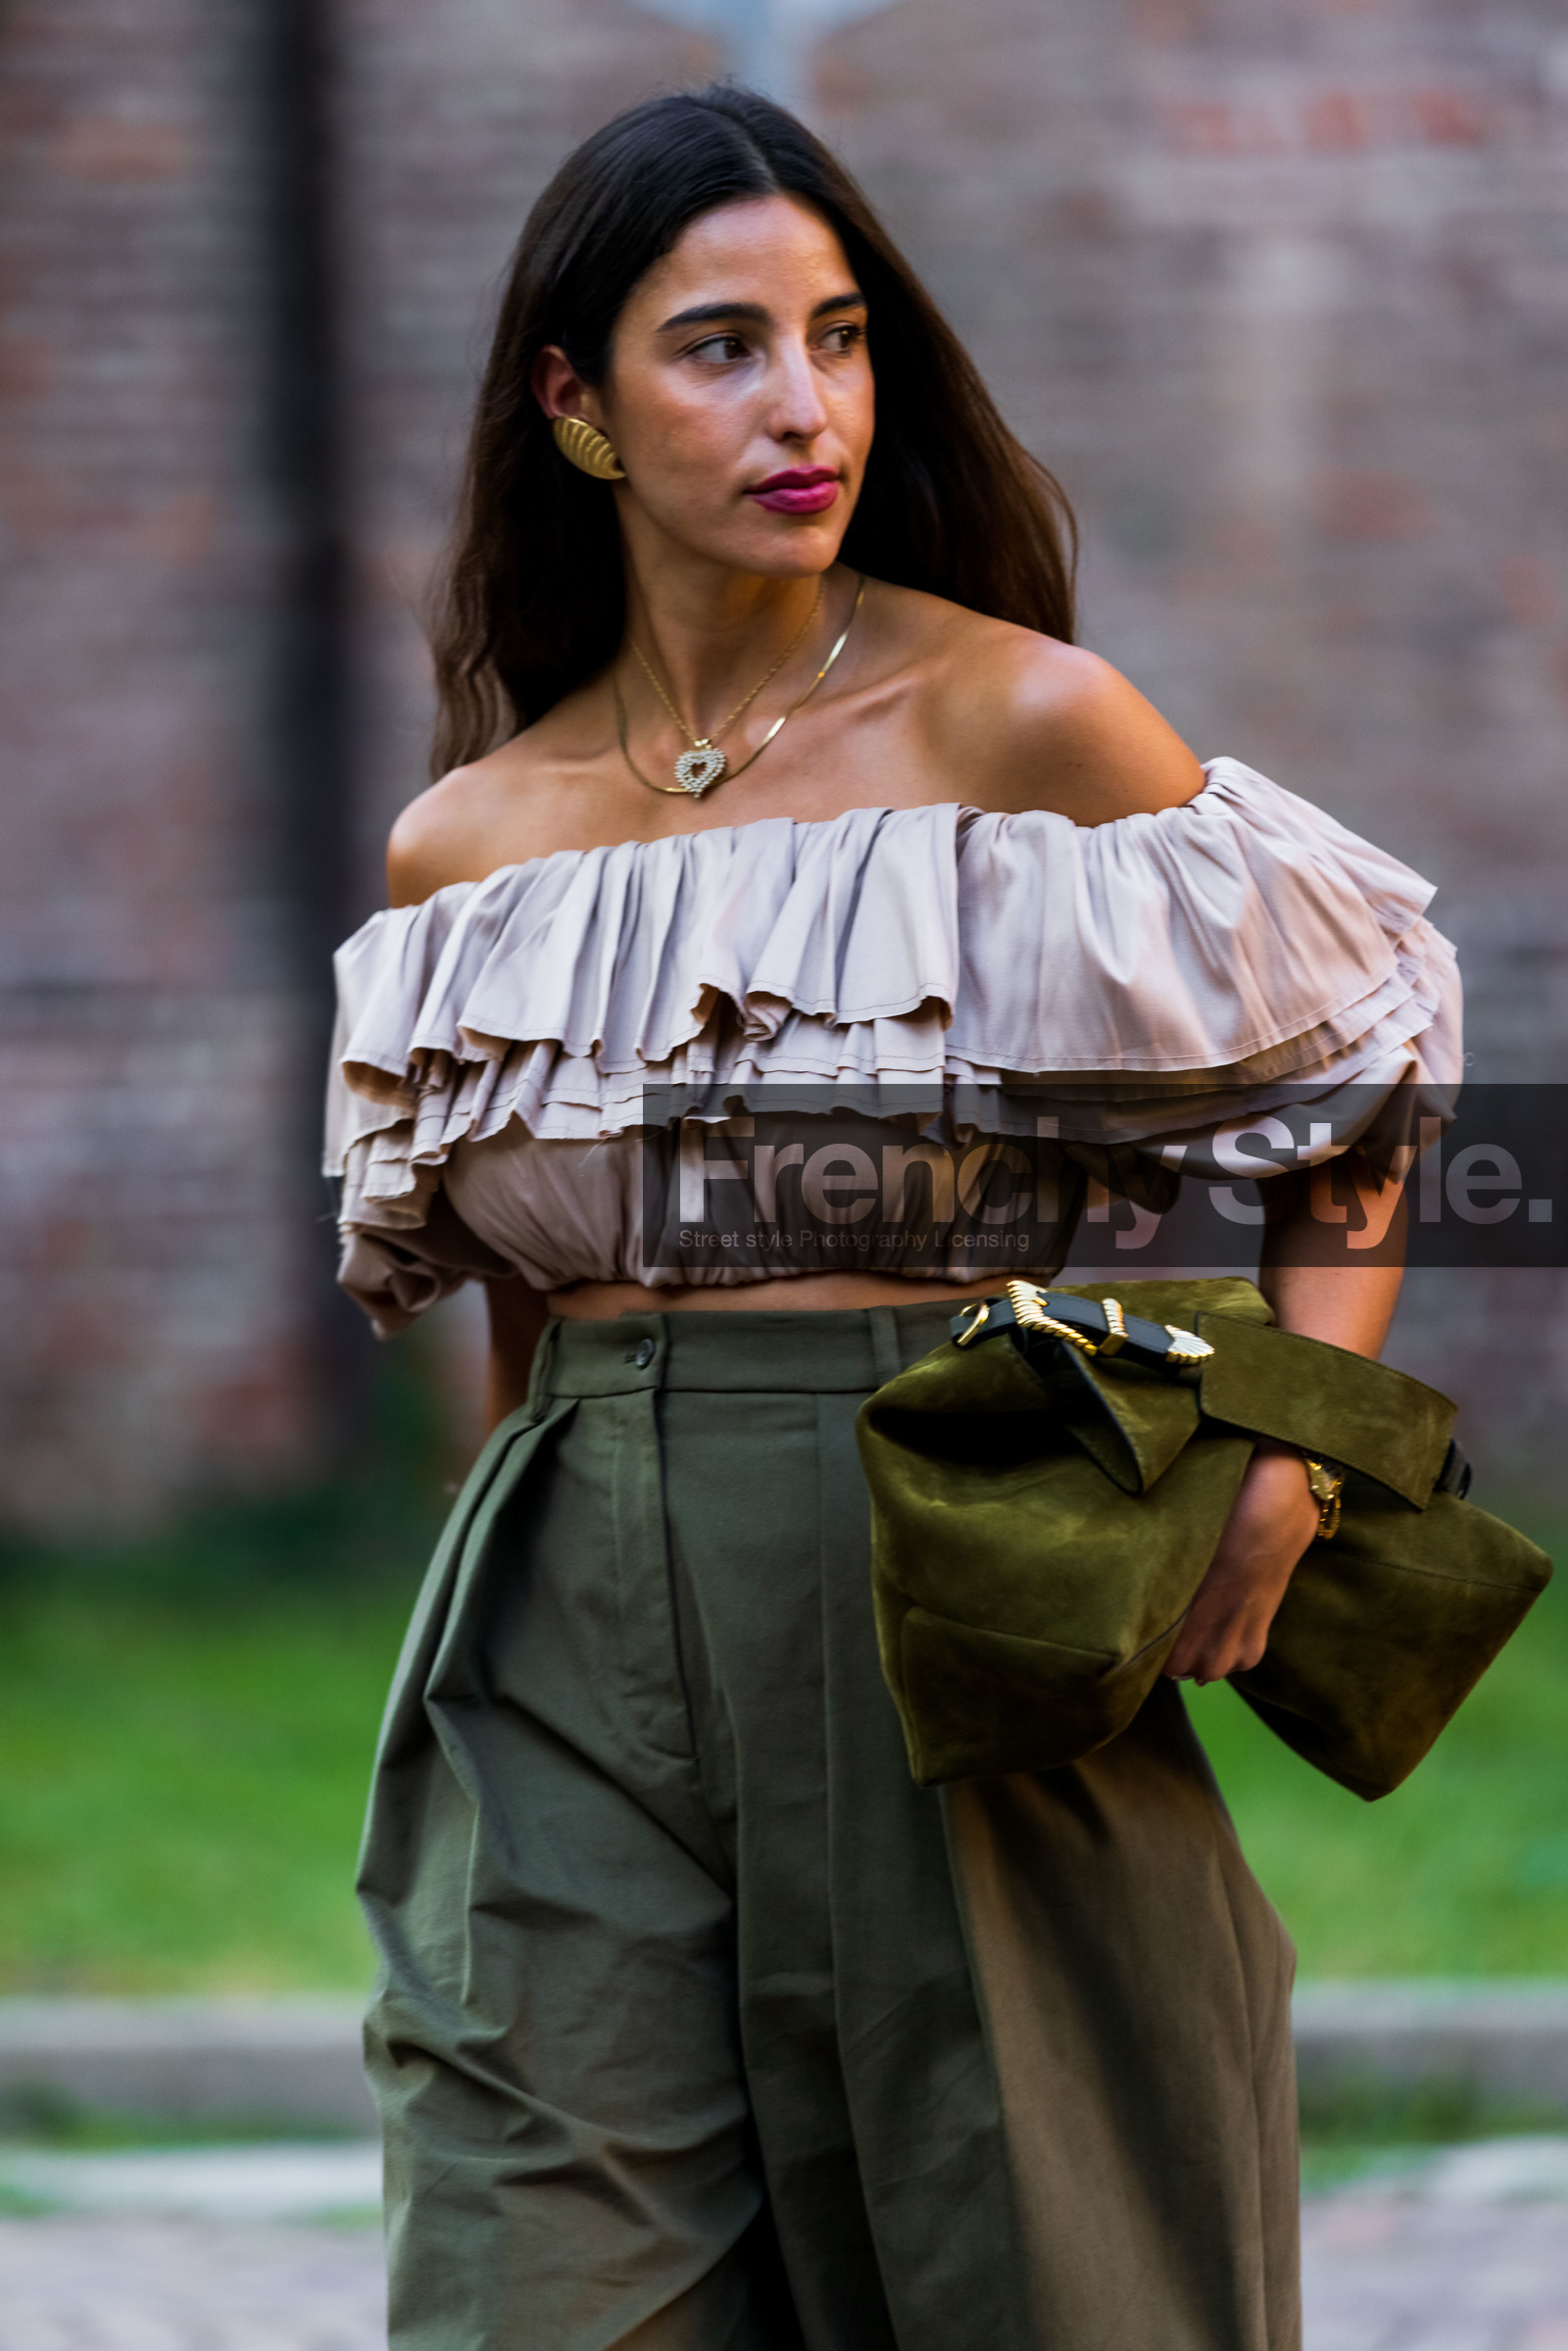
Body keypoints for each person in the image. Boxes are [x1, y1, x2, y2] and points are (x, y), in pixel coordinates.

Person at [326, 84, 1460, 2351]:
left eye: (836, 338)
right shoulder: (468, 845)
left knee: (1037, 2265)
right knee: (528, 2287)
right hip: (567, 1611)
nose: (803, 406)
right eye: (719, 346)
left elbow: (1370, 1089)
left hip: (949, 1543)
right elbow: (531, 1309)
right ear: (574, 404)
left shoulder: (1021, 723)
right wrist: (521, 1574)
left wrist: (1297, 1444)